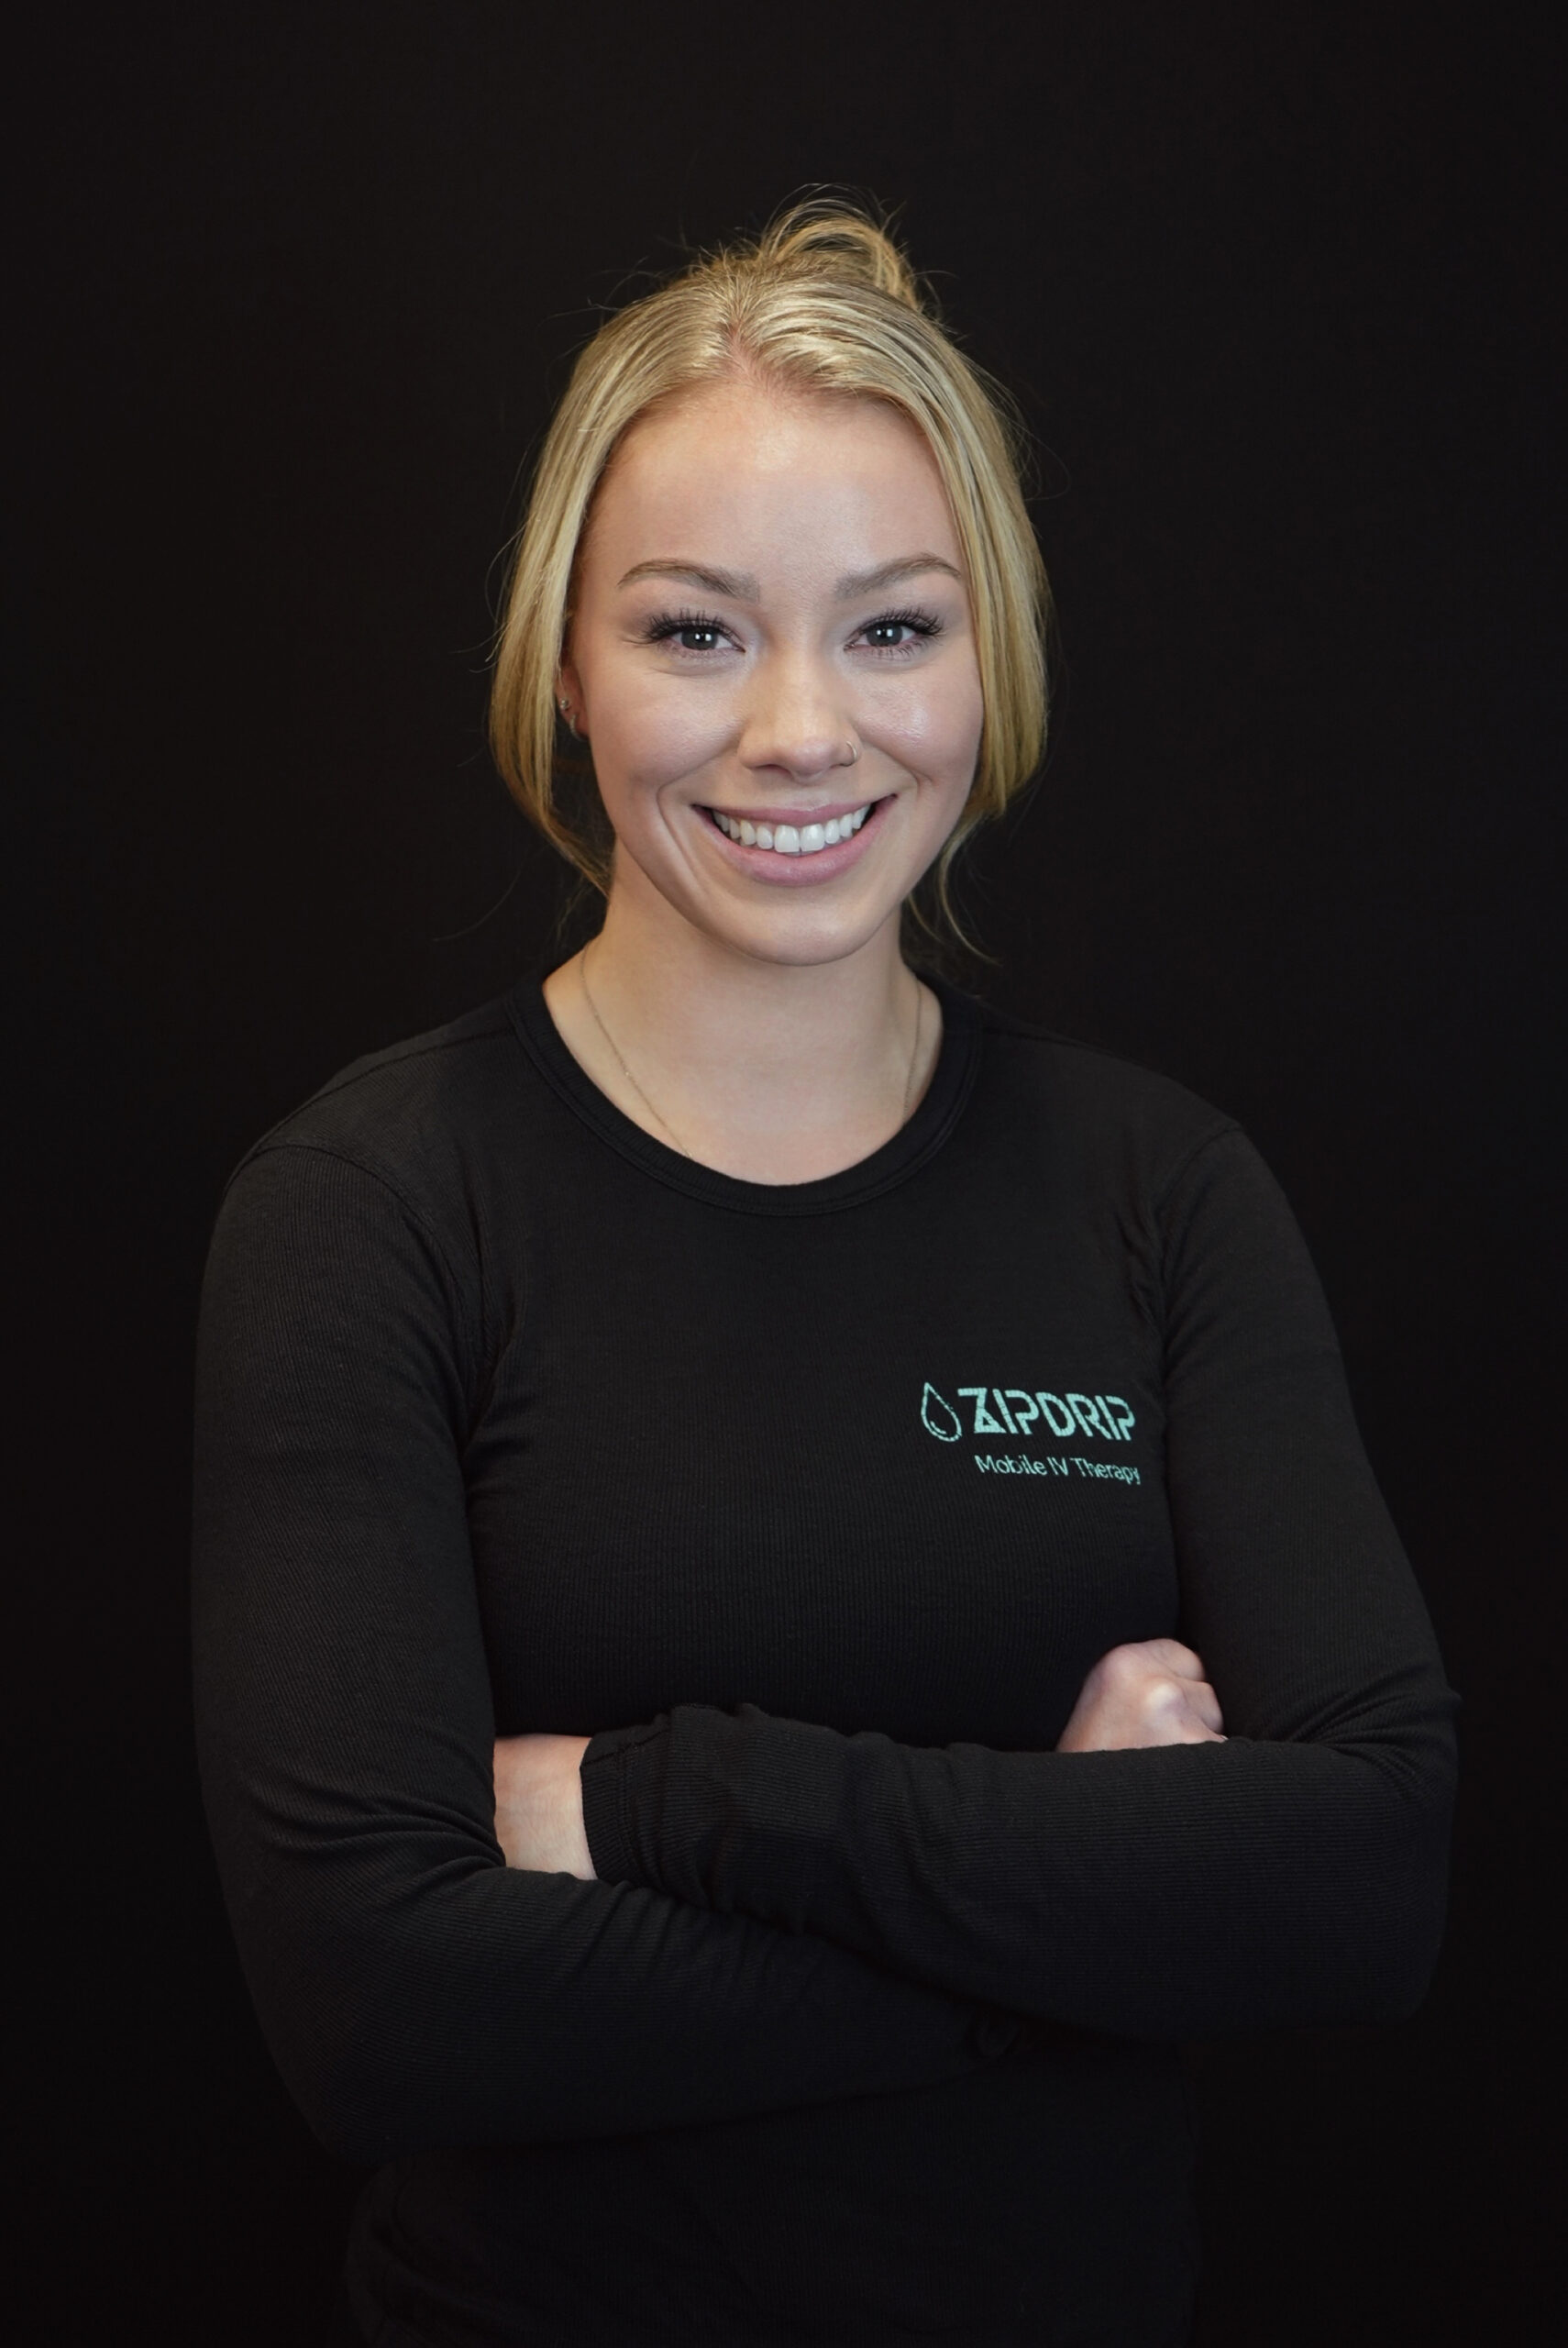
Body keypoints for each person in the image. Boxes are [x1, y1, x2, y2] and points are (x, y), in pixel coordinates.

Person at [192, 203, 1458, 2348]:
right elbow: (384, 2014)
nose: (801, 728)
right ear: (566, 665)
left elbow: (1364, 1881)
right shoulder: (371, 1205)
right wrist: (1080, 1886)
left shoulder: (1158, 1188)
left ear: (989, 658)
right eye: (695, 630)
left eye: (891, 627)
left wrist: (661, 1800)